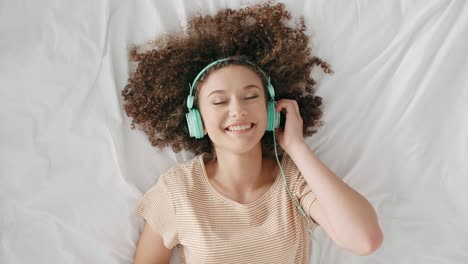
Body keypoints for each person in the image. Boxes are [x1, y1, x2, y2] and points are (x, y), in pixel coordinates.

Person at [121, 1, 383, 263]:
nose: (238, 110)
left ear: (270, 110)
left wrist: (297, 147)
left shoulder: (294, 181)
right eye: (219, 101)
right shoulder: (177, 190)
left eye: (250, 96)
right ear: (196, 118)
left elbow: (365, 240)